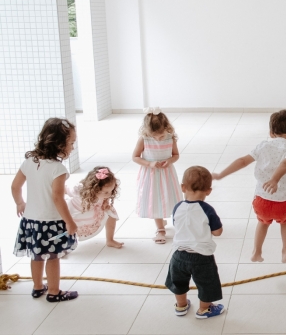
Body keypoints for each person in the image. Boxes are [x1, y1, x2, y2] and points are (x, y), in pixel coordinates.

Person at [212, 109, 286, 263]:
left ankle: (256, 252)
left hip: (262, 202)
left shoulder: (262, 146)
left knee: (262, 223)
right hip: (284, 203)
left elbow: (242, 161)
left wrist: (221, 175)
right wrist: (275, 179)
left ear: (271, 133)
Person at [11, 118, 79, 302]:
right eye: (71, 143)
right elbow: (57, 198)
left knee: (37, 255)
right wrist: (69, 221)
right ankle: (54, 292)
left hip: (31, 220)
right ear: (59, 144)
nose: (72, 147)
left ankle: (38, 287)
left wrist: (20, 203)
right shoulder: (58, 169)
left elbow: (15, 186)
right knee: (53, 257)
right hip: (51, 222)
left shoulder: (29, 162)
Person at [166, 166, 225, 319]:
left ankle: (181, 306)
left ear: (183, 187)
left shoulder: (178, 207)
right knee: (207, 283)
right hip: (202, 257)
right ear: (208, 191)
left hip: (178, 255)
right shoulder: (207, 209)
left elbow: (177, 224)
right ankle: (204, 310)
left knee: (178, 282)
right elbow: (218, 232)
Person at [132, 107, 182, 244]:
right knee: (155, 201)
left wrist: (170, 161)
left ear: (167, 128)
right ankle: (160, 228)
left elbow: (176, 155)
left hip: (167, 174)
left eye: (161, 136)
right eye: (156, 136)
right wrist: (149, 164)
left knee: (169, 197)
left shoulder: (170, 138)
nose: (159, 139)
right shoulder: (144, 139)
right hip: (151, 175)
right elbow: (135, 157)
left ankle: (176, 222)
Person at [65, 166, 123, 248]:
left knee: (111, 214)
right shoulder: (78, 189)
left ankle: (110, 240)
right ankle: (62, 246)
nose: (109, 194)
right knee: (66, 228)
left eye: (111, 191)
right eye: (106, 192)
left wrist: (105, 202)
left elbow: (106, 196)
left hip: (94, 211)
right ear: (94, 189)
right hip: (76, 212)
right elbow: (63, 189)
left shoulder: (104, 193)